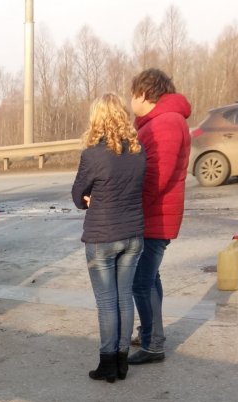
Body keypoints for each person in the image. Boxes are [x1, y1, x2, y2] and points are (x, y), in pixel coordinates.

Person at [72, 93, 146, 383]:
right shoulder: (139, 150)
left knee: (106, 302)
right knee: (124, 299)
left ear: (97, 119)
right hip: (133, 235)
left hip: (103, 237)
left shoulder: (93, 154)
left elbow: (78, 194)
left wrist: (90, 198)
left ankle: (107, 364)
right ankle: (122, 361)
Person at [128, 68, 191, 365]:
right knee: (150, 278)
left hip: (155, 215)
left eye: (132, 94)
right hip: (157, 214)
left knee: (141, 282)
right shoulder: (163, 120)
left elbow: (157, 177)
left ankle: (154, 344)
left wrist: (131, 207)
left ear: (143, 94)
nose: (131, 101)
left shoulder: (164, 123)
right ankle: (150, 332)